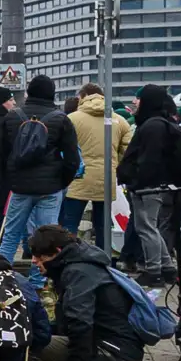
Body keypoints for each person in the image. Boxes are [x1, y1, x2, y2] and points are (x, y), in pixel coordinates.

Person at [26, 223, 151, 361]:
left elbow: (79, 322)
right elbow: (70, 321)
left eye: (40, 257)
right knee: (38, 339)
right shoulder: (82, 264)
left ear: (57, 252)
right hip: (117, 348)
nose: (34, 261)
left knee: (26, 349)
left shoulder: (77, 273)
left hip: (113, 353)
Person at [0, 74, 81, 264]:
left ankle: (2, 279)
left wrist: (11, 179)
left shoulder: (12, 117)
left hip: (19, 188)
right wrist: (61, 182)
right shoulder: (60, 119)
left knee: (10, 236)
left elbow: (3, 154)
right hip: (50, 188)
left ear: (29, 92)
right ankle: (41, 285)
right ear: (52, 94)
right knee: (46, 242)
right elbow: (72, 159)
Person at [120, 86, 181, 284]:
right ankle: (166, 268)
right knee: (153, 228)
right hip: (163, 185)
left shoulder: (151, 126)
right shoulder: (165, 124)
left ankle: (153, 270)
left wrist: (135, 180)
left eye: (140, 98)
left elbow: (148, 158)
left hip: (147, 186)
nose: (136, 102)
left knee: (146, 228)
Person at [64, 83, 132, 252]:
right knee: (103, 226)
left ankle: (67, 259)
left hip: (78, 179)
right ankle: (103, 261)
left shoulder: (72, 118)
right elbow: (128, 150)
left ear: (84, 97)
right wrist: (115, 164)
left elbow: (63, 148)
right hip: (106, 179)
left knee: (70, 224)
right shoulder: (119, 120)